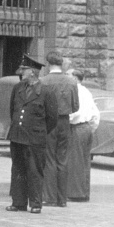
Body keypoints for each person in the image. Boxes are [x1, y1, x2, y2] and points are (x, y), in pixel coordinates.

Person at [6, 55, 52, 214]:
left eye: (24, 70)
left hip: (34, 139)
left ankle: (35, 203)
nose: (21, 73)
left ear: (32, 72)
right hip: (18, 136)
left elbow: (51, 119)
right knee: (17, 169)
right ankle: (18, 202)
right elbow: (12, 110)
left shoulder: (46, 92)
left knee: (34, 170)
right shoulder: (17, 88)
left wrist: (37, 131)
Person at [40, 51, 80, 207]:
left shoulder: (44, 81)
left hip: (49, 123)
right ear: (61, 64)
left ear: (49, 64)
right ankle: (62, 199)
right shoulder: (71, 81)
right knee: (62, 159)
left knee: (49, 158)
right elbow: (76, 106)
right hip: (65, 122)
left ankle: (49, 197)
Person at [67, 69, 100, 202]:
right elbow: (96, 114)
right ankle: (84, 192)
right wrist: (91, 128)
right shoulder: (86, 91)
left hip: (77, 127)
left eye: (68, 75)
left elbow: (75, 112)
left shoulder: (76, 91)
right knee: (84, 161)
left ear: (75, 78)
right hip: (86, 128)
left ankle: (76, 194)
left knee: (75, 161)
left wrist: (65, 120)